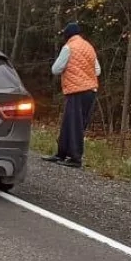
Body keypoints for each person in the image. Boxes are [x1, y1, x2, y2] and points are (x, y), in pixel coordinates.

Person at [45, 21, 101, 168]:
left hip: (76, 90)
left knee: (73, 123)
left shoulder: (68, 47)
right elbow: (97, 71)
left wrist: (73, 73)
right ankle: (61, 153)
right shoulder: (89, 47)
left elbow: (56, 69)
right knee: (72, 122)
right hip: (91, 91)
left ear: (67, 34)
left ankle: (76, 158)